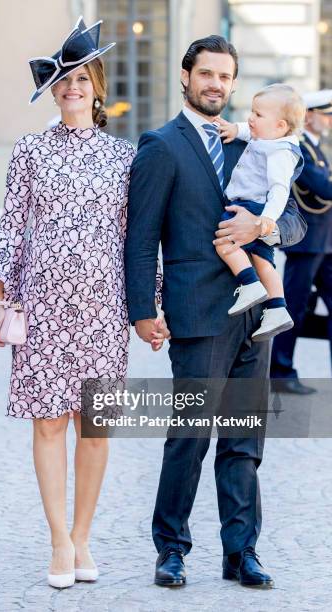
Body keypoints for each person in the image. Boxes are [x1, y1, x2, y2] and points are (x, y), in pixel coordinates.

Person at [0, 16, 167, 590]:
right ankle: (58, 539)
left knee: (96, 427)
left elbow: (141, 239)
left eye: (82, 79)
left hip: (105, 310)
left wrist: (150, 308)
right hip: (44, 307)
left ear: (97, 87)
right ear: (53, 92)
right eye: (64, 82)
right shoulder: (29, 151)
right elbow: (10, 229)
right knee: (50, 423)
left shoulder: (125, 156)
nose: (73, 89)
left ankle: (83, 537)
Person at [125, 35, 306, 589]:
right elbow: (140, 237)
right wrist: (141, 310)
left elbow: (295, 224)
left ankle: (241, 552)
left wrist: (264, 226)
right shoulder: (160, 145)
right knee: (189, 436)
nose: (216, 85)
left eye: (226, 77)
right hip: (198, 312)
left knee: (244, 439)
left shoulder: (252, 140)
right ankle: (171, 549)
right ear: (186, 76)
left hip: (257, 319)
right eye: (206, 74)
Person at [215, 84, 305, 342]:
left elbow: (279, 190)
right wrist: (236, 129)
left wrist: (266, 220)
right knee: (264, 260)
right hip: (257, 210)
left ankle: (249, 284)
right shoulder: (269, 137)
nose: (251, 119)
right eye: (252, 112)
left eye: (258, 115)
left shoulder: (280, 153)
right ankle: (277, 307)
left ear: (279, 126)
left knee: (224, 242)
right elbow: (249, 132)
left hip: (253, 208)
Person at [271, 90, 332, 393]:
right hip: (307, 244)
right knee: (292, 310)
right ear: (309, 116)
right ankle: (280, 373)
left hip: (324, 242)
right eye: (326, 115)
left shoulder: (317, 148)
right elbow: (322, 186)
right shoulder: (300, 147)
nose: (330, 121)